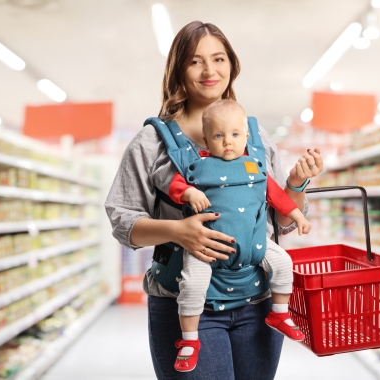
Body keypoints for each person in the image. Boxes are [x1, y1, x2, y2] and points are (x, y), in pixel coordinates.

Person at [104, 20, 324, 380]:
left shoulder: (255, 136)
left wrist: (296, 184)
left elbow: (282, 219)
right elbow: (121, 220)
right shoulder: (152, 141)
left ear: (231, 65)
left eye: (219, 59)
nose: (210, 71)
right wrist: (178, 231)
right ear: (178, 70)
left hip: (258, 305)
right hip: (186, 304)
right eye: (195, 61)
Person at [166, 99, 311, 372]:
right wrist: (189, 192)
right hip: (205, 249)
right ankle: (189, 340)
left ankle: (280, 313)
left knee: (283, 263)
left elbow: (277, 196)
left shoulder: (254, 166)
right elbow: (176, 186)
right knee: (193, 284)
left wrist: (298, 216)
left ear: (247, 136)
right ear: (206, 140)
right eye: (218, 136)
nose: (227, 142)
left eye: (234, 135)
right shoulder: (196, 166)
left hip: (255, 246)